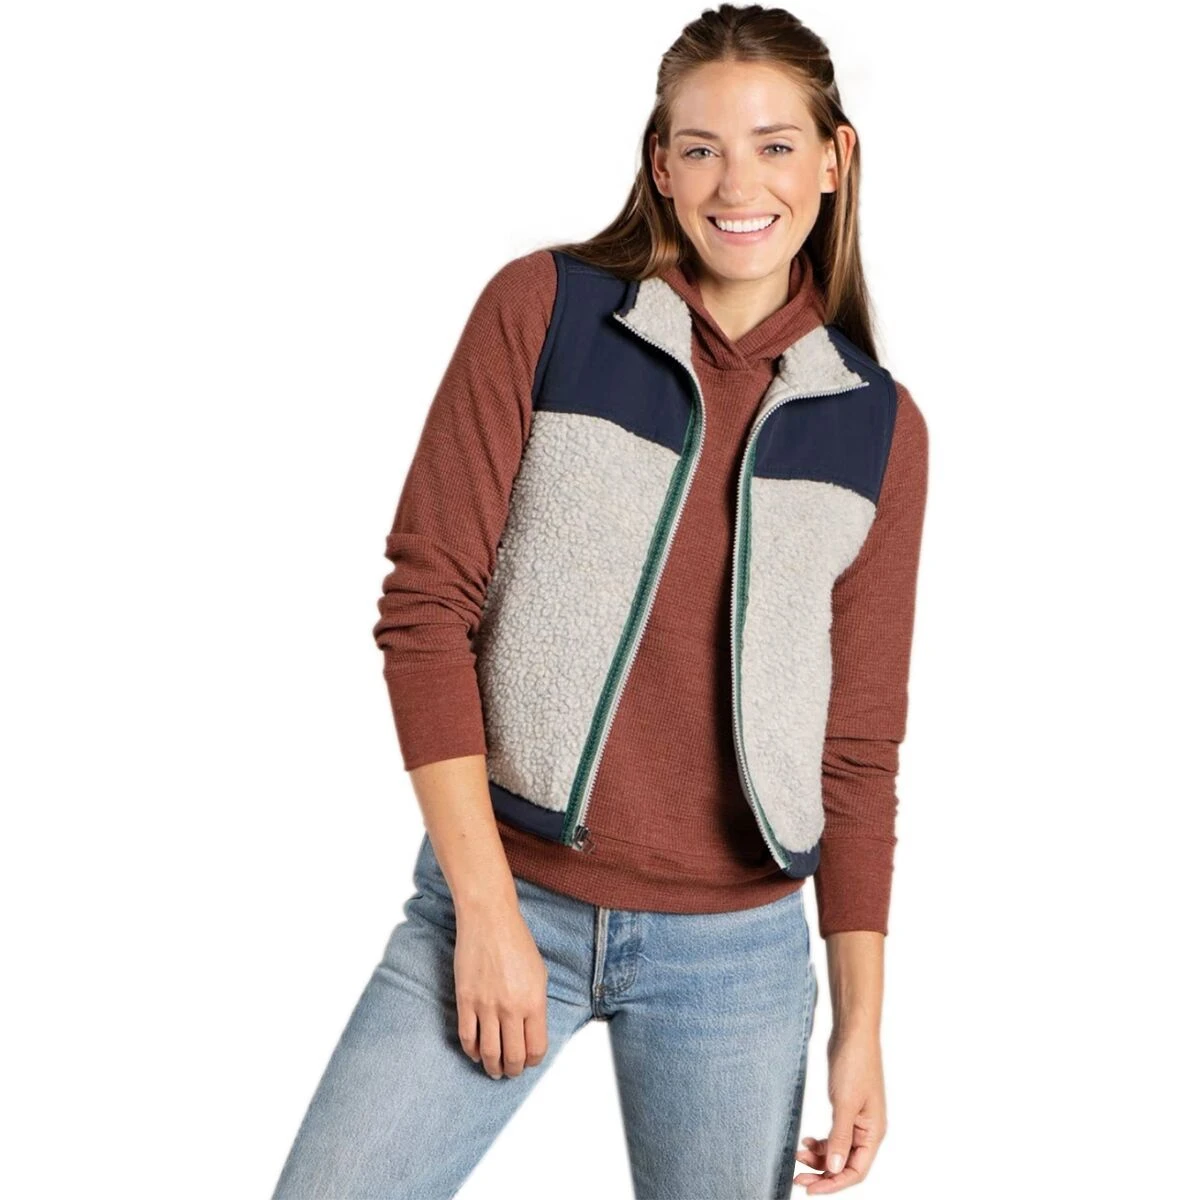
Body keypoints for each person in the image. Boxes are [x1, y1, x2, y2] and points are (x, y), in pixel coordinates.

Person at [270, 4, 929, 1197]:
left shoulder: (878, 426)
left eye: (776, 145)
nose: (740, 184)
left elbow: (858, 750)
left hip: (738, 954)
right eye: (702, 147)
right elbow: (427, 612)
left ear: (835, 160)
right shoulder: (547, 312)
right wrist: (485, 910)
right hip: (506, 888)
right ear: (660, 166)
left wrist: (861, 1025)